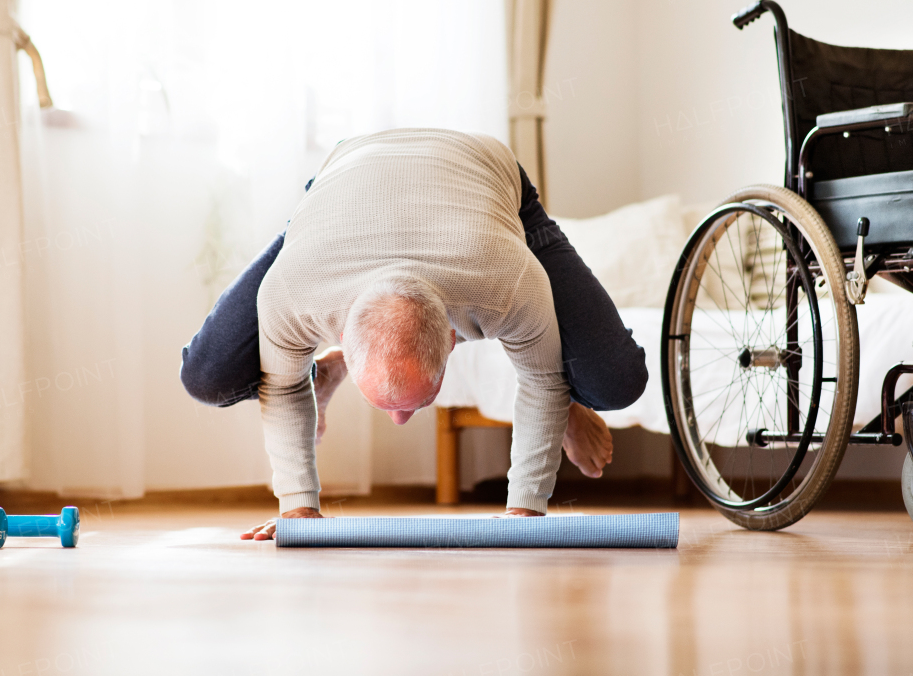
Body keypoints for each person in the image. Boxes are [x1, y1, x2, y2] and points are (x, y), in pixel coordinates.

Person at [180, 128, 647, 539]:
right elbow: (282, 387)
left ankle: (564, 384)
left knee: (617, 380)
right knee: (207, 376)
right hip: (340, 191)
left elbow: (541, 382)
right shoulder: (295, 290)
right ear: (339, 329)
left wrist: (524, 510)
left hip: (479, 175)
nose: (400, 420)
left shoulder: (505, 280)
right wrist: (298, 507)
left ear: (449, 337)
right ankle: (331, 371)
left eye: (412, 404)